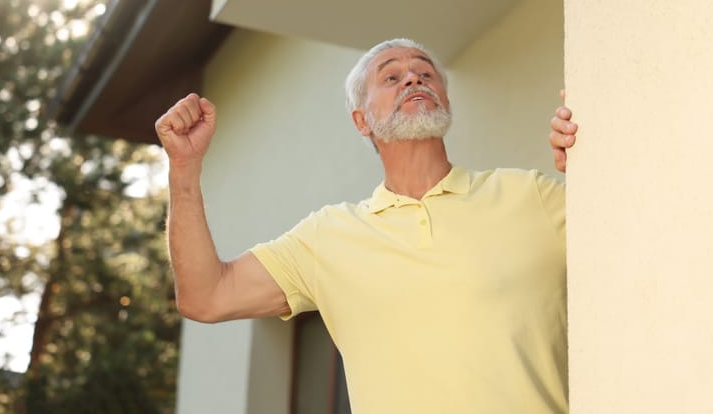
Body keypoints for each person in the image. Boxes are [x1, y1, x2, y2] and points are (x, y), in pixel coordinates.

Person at [155, 38, 578, 414]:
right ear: (361, 121)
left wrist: (587, 160)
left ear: (445, 101)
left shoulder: (530, 195)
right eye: (391, 77)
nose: (413, 78)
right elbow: (206, 297)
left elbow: (618, 235)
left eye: (425, 73)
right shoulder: (328, 236)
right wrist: (183, 168)